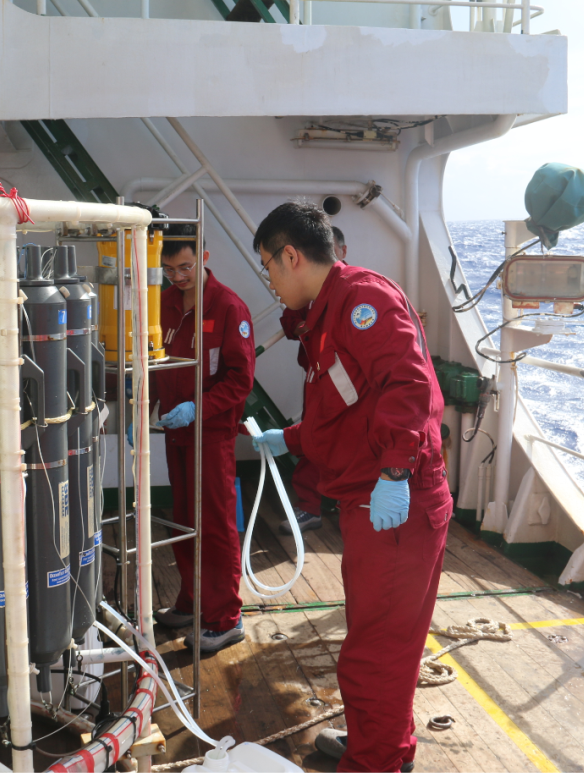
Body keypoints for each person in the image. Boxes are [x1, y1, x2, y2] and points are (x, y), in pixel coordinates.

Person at [249, 201, 450, 773]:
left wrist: (394, 474)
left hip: (397, 503)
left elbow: (409, 386)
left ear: (291, 256)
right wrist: (291, 438)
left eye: (268, 265)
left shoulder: (363, 302)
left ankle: (374, 762)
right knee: (383, 639)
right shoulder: (325, 314)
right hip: (372, 501)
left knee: (375, 651)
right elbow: (345, 407)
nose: (268, 279)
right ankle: (383, 746)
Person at [139, 236, 255, 653]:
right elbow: (156, 361)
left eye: (185, 267)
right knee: (184, 518)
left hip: (211, 434)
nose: (178, 277)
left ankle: (226, 618)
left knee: (215, 524)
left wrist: (198, 407)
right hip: (177, 431)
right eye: (169, 270)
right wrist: (144, 409)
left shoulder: (228, 307)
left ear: (203, 257)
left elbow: (240, 380)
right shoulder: (165, 301)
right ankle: (192, 600)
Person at [277, 226, 346, 534]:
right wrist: (304, 327)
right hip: (316, 374)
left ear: (342, 252)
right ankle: (309, 506)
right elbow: (290, 319)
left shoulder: (355, 293)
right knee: (312, 437)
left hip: (346, 378)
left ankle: (347, 503)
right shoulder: (309, 289)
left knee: (348, 438)